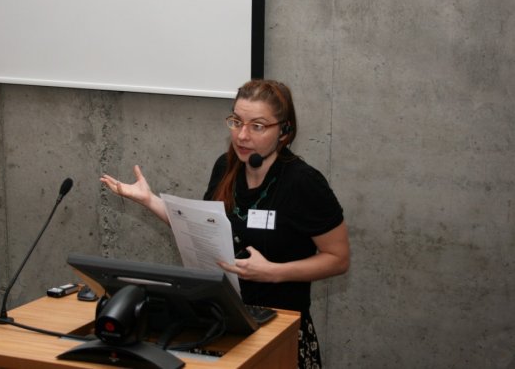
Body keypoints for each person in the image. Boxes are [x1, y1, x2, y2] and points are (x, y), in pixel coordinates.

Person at [101, 79, 350, 368]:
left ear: (284, 131)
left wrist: (273, 272)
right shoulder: (225, 167)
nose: (242, 135)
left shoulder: (304, 183)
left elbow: (338, 259)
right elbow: (201, 229)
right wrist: (149, 200)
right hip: (224, 323)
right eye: (236, 122)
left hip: (280, 331)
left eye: (257, 126)